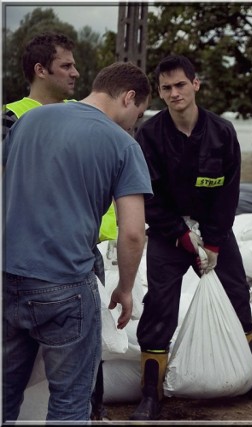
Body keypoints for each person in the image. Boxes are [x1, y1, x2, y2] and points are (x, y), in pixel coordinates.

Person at [130, 54, 252, 421]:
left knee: (237, 295)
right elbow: (148, 197)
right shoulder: (149, 134)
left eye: (180, 84)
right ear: (160, 93)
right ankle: (151, 394)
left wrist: (211, 243)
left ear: (195, 84)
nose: (174, 93)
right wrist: (183, 237)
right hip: (169, 234)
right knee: (159, 306)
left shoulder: (222, 132)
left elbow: (228, 194)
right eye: (166, 88)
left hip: (215, 230)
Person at [2, 61, 153, 421]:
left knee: (4, 393)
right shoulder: (123, 145)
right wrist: (126, 288)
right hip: (66, 286)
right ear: (128, 97)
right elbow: (133, 232)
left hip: (8, 277)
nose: (136, 122)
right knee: (69, 403)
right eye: (140, 113)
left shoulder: (30, 121)